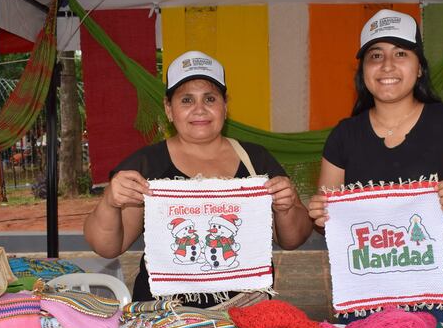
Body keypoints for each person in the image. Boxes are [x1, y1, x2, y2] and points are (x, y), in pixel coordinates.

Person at [307, 9, 443, 323]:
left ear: (420, 67)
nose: (387, 65)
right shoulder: (344, 135)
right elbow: (326, 218)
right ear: (363, 70)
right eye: (375, 55)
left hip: (440, 293)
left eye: (401, 53)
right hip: (364, 295)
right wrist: (320, 215)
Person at [84, 50, 312, 303]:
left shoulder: (256, 160)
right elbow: (107, 247)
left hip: (246, 312)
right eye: (186, 100)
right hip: (166, 318)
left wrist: (286, 207)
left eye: (210, 99)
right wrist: (109, 202)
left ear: (225, 106)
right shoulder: (145, 165)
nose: (199, 109)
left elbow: (293, 239)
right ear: (169, 109)